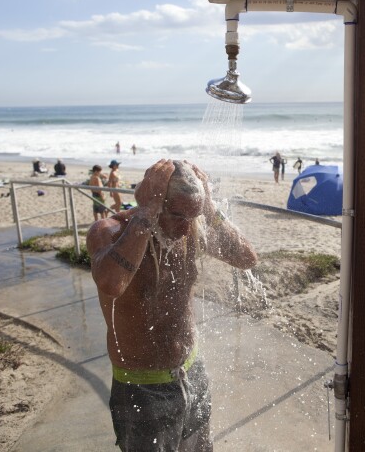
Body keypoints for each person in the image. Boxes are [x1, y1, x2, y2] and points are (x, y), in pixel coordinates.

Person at [86, 159, 257, 451]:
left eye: (193, 216)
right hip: (141, 385)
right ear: (154, 201)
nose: (185, 226)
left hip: (192, 370)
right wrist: (147, 213)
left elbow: (246, 258)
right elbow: (112, 283)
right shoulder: (110, 231)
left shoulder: (190, 228)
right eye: (177, 215)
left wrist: (211, 210)